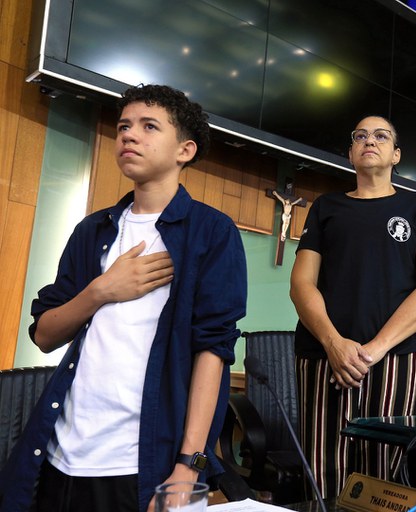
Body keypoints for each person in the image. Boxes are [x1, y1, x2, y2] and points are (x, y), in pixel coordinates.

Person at [0, 84, 247, 512]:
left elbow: (213, 350)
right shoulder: (92, 230)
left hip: (142, 462)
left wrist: (189, 467)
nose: (129, 135)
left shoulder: (212, 232)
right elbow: (44, 335)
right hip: (59, 453)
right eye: (123, 126)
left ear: (184, 150)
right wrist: (102, 290)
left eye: (149, 126)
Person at [289, 116, 416, 497]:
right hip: (325, 355)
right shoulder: (326, 206)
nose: (369, 141)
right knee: (324, 469)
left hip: (399, 357)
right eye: (360, 136)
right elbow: (301, 284)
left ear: (396, 154)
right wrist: (334, 344)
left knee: (385, 475)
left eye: (380, 136)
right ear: (350, 154)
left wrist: (374, 349)